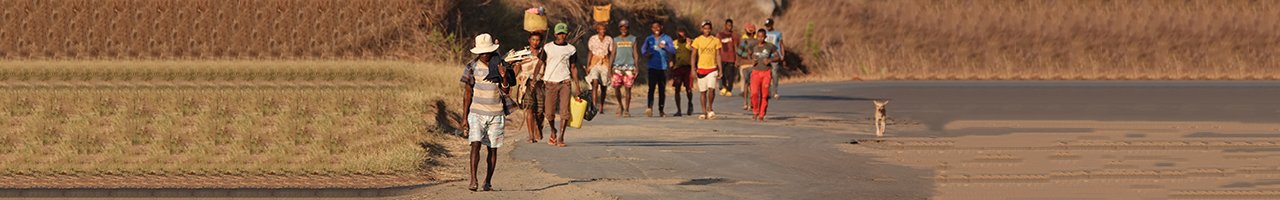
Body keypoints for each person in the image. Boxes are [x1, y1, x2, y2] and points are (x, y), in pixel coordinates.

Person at [461, 33, 515, 191]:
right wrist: (464, 117)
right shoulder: (471, 67)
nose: (485, 55)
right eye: (482, 52)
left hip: (496, 113)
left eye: (488, 52)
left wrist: (504, 77)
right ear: (478, 53)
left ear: (492, 51)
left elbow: (506, 90)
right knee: (475, 144)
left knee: (492, 149)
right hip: (476, 112)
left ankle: (488, 181)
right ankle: (473, 179)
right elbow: (467, 93)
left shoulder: (499, 66)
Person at [542, 23, 580, 147]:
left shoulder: (571, 49)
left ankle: (561, 137)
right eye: (559, 33)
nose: (561, 36)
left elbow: (573, 68)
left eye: (563, 33)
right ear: (555, 34)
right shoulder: (547, 47)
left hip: (565, 83)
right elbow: (540, 63)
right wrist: (535, 79)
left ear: (567, 34)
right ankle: (553, 130)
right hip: (550, 83)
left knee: (564, 111)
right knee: (549, 112)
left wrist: (577, 86)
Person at [512, 33, 545, 143]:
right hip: (526, 84)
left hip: (541, 83)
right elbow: (517, 67)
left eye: (537, 40)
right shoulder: (523, 53)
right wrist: (511, 81)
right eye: (533, 39)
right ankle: (531, 136)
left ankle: (537, 125)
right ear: (529, 40)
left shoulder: (543, 53)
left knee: (540, 110)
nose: (535, 42)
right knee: (529, 108)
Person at [640, 21, 676, 117]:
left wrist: (665, 46)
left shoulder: (667, 38)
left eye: (658, 27)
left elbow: (673, 50)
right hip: (652, 67)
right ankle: (649, 108)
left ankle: (661, 110)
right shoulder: (649, 39)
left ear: (661, 27)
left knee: (661, 89)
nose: (656, 29)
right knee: (651, 88)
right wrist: (647, 53)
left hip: (663, 68)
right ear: (651, 29)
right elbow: (643, 50)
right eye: (654, 27)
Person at [689, 20, 722, 120]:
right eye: (705, 28)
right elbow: (693, 55)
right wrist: (693, 69)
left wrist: (720, 69)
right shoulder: (697, 40)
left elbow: (718, 55)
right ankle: (703, 111)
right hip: (701, 69)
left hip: (712, 68)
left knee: (711, 89)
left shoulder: (716, 40)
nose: (707, 30)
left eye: (708, 28)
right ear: (702, 29)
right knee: (703, 91)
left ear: (711, 29)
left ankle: (710, 109)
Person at [748, 29, 780, 121]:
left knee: (764, 95)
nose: (760, 38)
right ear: (756, 36)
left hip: (766, 72)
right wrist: (751, 61)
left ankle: (761, 114)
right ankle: (755, 111)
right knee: (754, 93)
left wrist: (770, 60)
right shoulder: (753, 45)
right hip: (755, 72)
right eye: (758, 36)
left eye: (762, 37)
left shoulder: (770, 46)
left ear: (765, 37)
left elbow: (778, 57)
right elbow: (748, 54)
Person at [611, 20, 640, 117]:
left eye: (626, 27)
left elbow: (635, 54)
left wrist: (636, 66)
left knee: (628, 88)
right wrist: (609, 68)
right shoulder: (616, 40)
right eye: (622, 28)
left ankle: (627, 109)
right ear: (619, 29)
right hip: (617, 66)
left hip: (629, 66)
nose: (624, 29)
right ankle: (620, 105)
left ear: (628, 28)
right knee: (616, 88)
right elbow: (613, 54)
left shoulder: (633, 39)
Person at [586, 23, 613, 115]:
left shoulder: (609, 39)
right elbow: (590, 52)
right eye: (601, 29)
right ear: (597, 30)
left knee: (604, 84)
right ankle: (594, 105)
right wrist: (588, 65)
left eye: (604, 29)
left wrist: (610, 67)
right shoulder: (593, 39)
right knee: (595, 82)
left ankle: (601, 105)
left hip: (605, 63)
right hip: (594, 63)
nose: (603, 31)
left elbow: (611, 53)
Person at [670, 27, 694, 117]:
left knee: (688, 89)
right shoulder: (674, 43)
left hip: (688, 68)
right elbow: (672, 54)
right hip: (677, 68)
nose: (681, 36)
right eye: (679, 35)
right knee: (677, 88)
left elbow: (694, 53)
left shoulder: (690, 42)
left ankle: (690, 103)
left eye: (683, 34)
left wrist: (689, 44)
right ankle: (678, 110)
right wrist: (671, 62)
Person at [738, 23, 758, 110]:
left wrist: (737, 61)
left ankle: (746, 103)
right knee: (753, 84)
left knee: (746, 83)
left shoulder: (744, 41)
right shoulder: (758, 42)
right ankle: (751, 103)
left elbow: (739, 53)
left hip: (744, 64)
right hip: (754, 64)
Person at [717, 19, 739, 97]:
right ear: (725, 25)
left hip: (731, 57)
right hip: (722, 57)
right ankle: (724, 87)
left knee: (730, 75)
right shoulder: (720, 35)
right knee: (722, 73)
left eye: (731, 26)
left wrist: (737, 59)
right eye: (728, 25)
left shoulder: (734, 35)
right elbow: (717, 46)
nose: (729, 27)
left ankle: (729, 89)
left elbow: (736, 47)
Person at [764, 18, 785, 99]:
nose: (768, 27)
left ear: (772, 25)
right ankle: (767, 92)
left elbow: (781, 44)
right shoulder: (764, 33)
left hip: (775, 56)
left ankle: (775, 91)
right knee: (766, 75)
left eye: (769, 25)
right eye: (766, 26)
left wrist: (783, 55)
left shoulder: (778, 34)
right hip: (765, 56)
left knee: (774, 73)